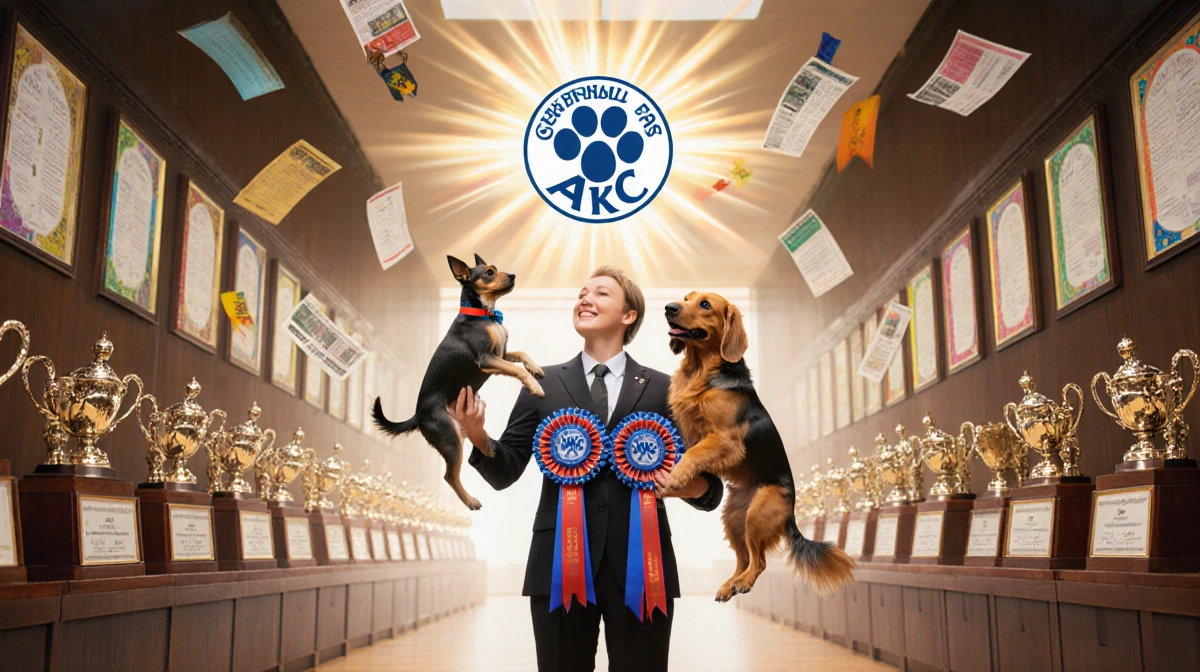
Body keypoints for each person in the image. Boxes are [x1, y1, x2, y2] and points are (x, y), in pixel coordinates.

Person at [452, 266, 723, 672]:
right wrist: (477, 435)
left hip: (643, 570)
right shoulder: (538, 383)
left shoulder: (669, 390)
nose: (585, 299)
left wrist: (685, 486)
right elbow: (505, 471)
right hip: (557, 566)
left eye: (600, 293)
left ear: (629, 315)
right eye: (581, 293)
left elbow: (712, 490)